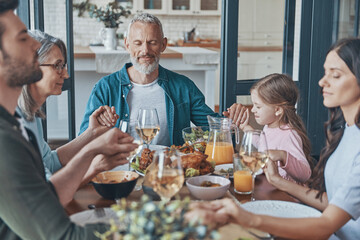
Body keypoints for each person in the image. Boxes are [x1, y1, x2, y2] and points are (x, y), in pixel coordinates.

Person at [186, 38, 360, 239]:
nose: (322, 82)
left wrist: (244, 217)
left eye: (335, 75)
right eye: (325, 72)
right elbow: (332, 203)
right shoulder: (348, 131)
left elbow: (325, 225)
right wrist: (278, 180)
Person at [0, 1, 137, 239]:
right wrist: (159, 223)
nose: (34, 44)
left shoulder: (17, 122)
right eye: (23, 38)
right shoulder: (4, 141)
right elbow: (64, 235)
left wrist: (91, 139)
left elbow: (47, 188)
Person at [79, 13, 245, 146]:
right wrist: (99, 127)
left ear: (163, 45)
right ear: (127, 45)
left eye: (152, 42)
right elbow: (82, 140)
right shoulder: (105, 88)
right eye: (138, 43)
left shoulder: (183, 86)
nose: (145, 50)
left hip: (168, 171)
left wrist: (233, 119)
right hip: (121, 172)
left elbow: (213, 128)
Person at [17, 30, 129, 187]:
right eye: (58, 66)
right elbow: (48, 192)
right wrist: (94, 167)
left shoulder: (31, 116)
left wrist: (92, 133)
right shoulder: (16, 122)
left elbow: (50, 162)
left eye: (63, 66)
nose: (66, 74)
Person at [236, 73, 313, 183]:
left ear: (278, 110)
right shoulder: (269, 127)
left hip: (284, 195)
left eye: (258, 106)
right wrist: (246, 128)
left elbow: (306, 174)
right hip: (268, 186)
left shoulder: (289, 135)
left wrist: (283, 156)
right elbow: (263, 145)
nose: (253, 110)